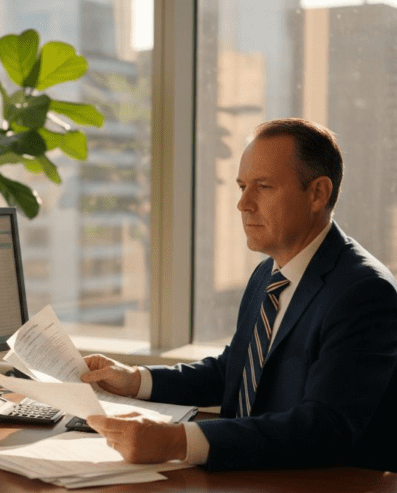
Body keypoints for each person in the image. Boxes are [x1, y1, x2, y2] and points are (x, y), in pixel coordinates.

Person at [82, 118, 397, 471]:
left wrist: (177, 441)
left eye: (263, 187)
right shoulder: (269, 273)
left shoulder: (363, 292)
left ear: (318, 194)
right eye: (242, 186)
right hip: (251, 484)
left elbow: (324, 427)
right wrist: (134, 379)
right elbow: (235, 370)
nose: (243, 204)